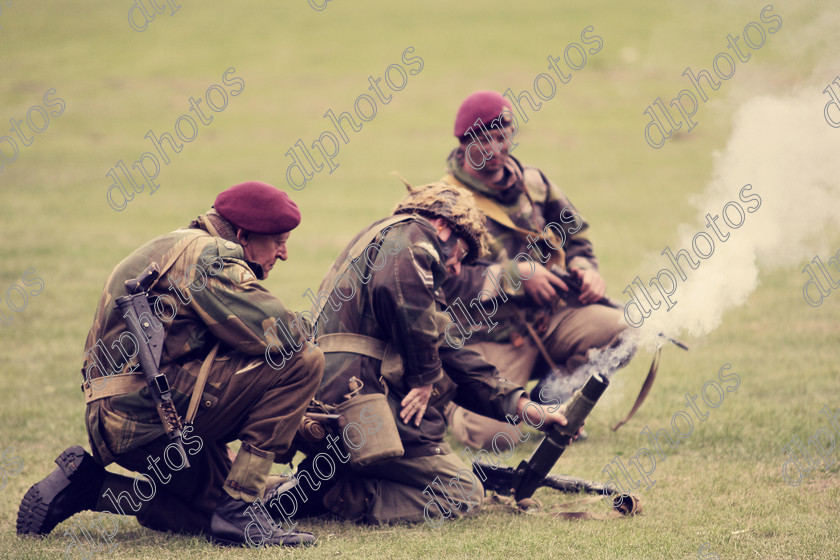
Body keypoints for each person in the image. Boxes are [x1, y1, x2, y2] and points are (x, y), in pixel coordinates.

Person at [17, 181, 324, 547]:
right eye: (278, 240)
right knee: (304, 360)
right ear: (243, 234)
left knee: (209, 514)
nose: (284, 253)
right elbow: (282, 335)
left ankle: (88, 486)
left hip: (120, 420)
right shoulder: (211, 257)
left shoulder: (179, 244)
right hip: (156, 415)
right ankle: (241, 509)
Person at [281, 182, 570, 526]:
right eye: (460, 255)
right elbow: (398, 294)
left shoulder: (391, 247)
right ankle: (335, 493)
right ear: (442, 226)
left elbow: (450, 352)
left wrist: (524, 407)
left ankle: (323, 475)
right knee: (461, 493)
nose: (457, 269)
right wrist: (423, 378)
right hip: (357, 401)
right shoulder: (412, 236)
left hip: (340, 397)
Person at [439, 90, 632, 451]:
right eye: (485, 140)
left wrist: (584, 267)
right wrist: (519, 276)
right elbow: (445, 280)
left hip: (548, 319)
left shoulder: (535, 184)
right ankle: (450, 397)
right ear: (464, 144)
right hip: (487, 336)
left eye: (503, 136)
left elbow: (575, 232)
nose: (497, 148)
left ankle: (551, 400)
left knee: (625, 330)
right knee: (493, 439)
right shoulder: (446, 202)